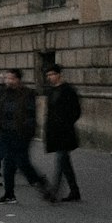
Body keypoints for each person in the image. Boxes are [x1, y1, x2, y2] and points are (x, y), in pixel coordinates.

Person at [0, 68, 49, 205]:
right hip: (5, 133)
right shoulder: (4, 93)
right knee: (8, 165)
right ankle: (9, 194)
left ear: (18, 79)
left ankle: (41, 184)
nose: (9, 81)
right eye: (7, 78)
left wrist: (26, 131)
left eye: (12, 78)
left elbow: (30, 115)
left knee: (23, 163)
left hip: (21, 134)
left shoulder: (27, 94)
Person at [44, 65, 81, 202]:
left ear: (59, 74)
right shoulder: (51, 91)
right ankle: (74, 190)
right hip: (54, 132)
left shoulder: (68, 90)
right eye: (48, 75)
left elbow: (76, 111)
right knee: (65, 163)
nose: (50, 77)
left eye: (52, 74)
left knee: (61, 160)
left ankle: (54, 191)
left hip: (65, 132)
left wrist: (66, 123)